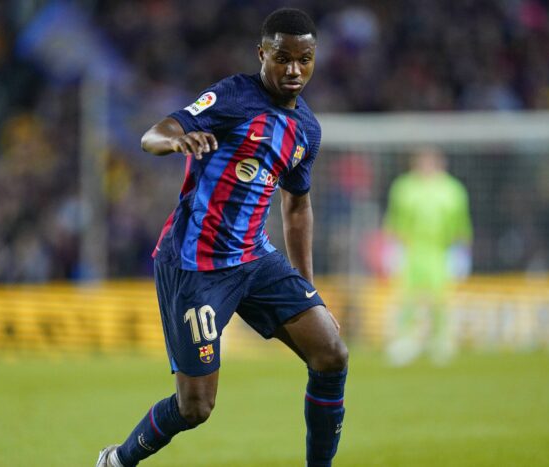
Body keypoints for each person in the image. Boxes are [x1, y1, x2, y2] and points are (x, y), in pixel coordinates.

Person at [96, 8, 348, 467]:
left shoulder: (306, 130)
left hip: (254, 258)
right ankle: (116, 460)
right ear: (262, 54)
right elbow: (155, 134)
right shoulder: (233, 96)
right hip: (196, 265)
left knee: (331, 353)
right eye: (283, 58)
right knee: (195, 407)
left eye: (304, 59)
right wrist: (176, 141)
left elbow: (296, 206)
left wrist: (307, 290)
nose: (294, 69)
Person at [383, 147, 472, 366]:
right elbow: (394, 220)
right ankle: (405, 340)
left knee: (440, 298)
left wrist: (462, 252)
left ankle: (441, 341)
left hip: (439, 252)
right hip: (412, 250)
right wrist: (391, 249)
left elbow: (461, 223)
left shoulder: (453, 190)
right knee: (407, 297)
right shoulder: (404, 187)